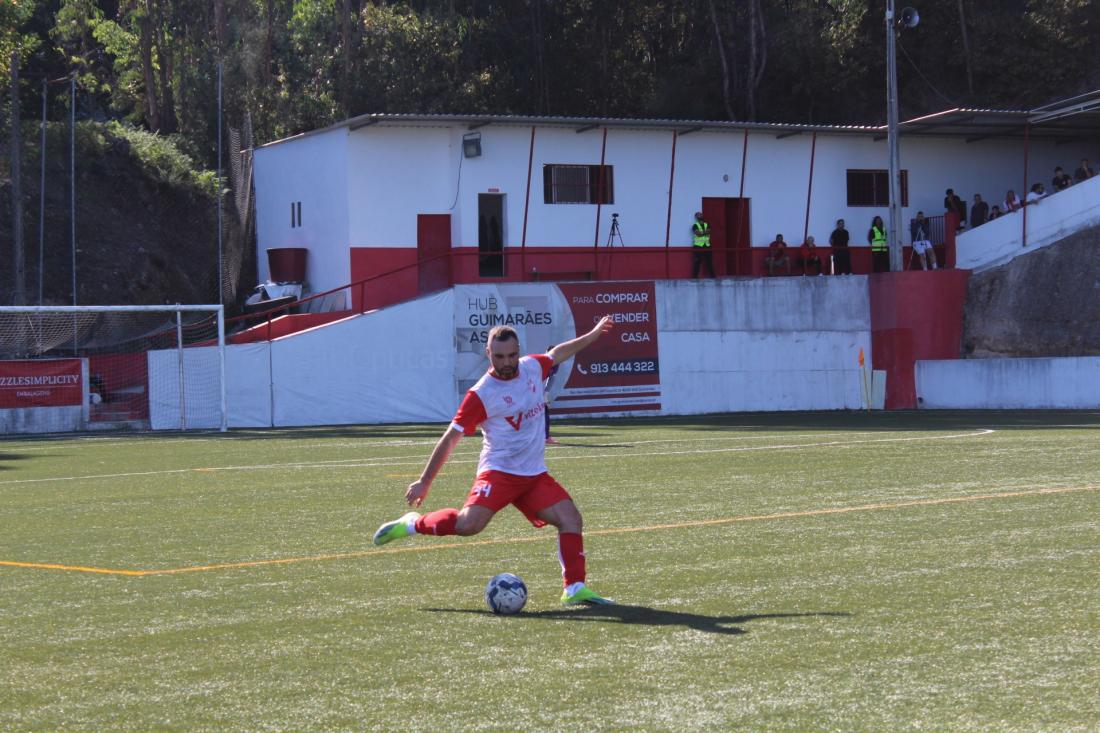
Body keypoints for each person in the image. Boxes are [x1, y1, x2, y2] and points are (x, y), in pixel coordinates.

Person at [372, 319, 616, 606]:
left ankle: (574, 588)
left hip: (533, 475)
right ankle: (413, 524)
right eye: (499, 356)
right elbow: (450, 438)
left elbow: (557, 354)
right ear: (488, 353)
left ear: (519, 351)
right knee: (468, 525)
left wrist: (592, 334)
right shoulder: (482, 394)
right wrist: (425, 481)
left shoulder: (532, 367)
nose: (507, 362)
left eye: (512, 355)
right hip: (499, 472)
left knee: (571, 519)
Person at [543, 347, 560, 446]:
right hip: (529, 388)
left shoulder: (556, 363)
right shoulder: (541, 363)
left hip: (538, 390)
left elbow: (551, 378)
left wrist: (545, 394)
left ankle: (545, 436)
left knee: (544, 412)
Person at [691, 212, 715, 278]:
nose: (700, 215)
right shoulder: (695, 225)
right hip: (698, 246)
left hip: (707, 245)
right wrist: (704, 232)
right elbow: (698, 234)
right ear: (696, 217)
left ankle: (713, 277)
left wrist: (701, 233)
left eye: (701, 214)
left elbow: (708, 231)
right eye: (698, 215)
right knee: (697, 262)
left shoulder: (707, 224)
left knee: (709, 262)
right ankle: (694, 277)